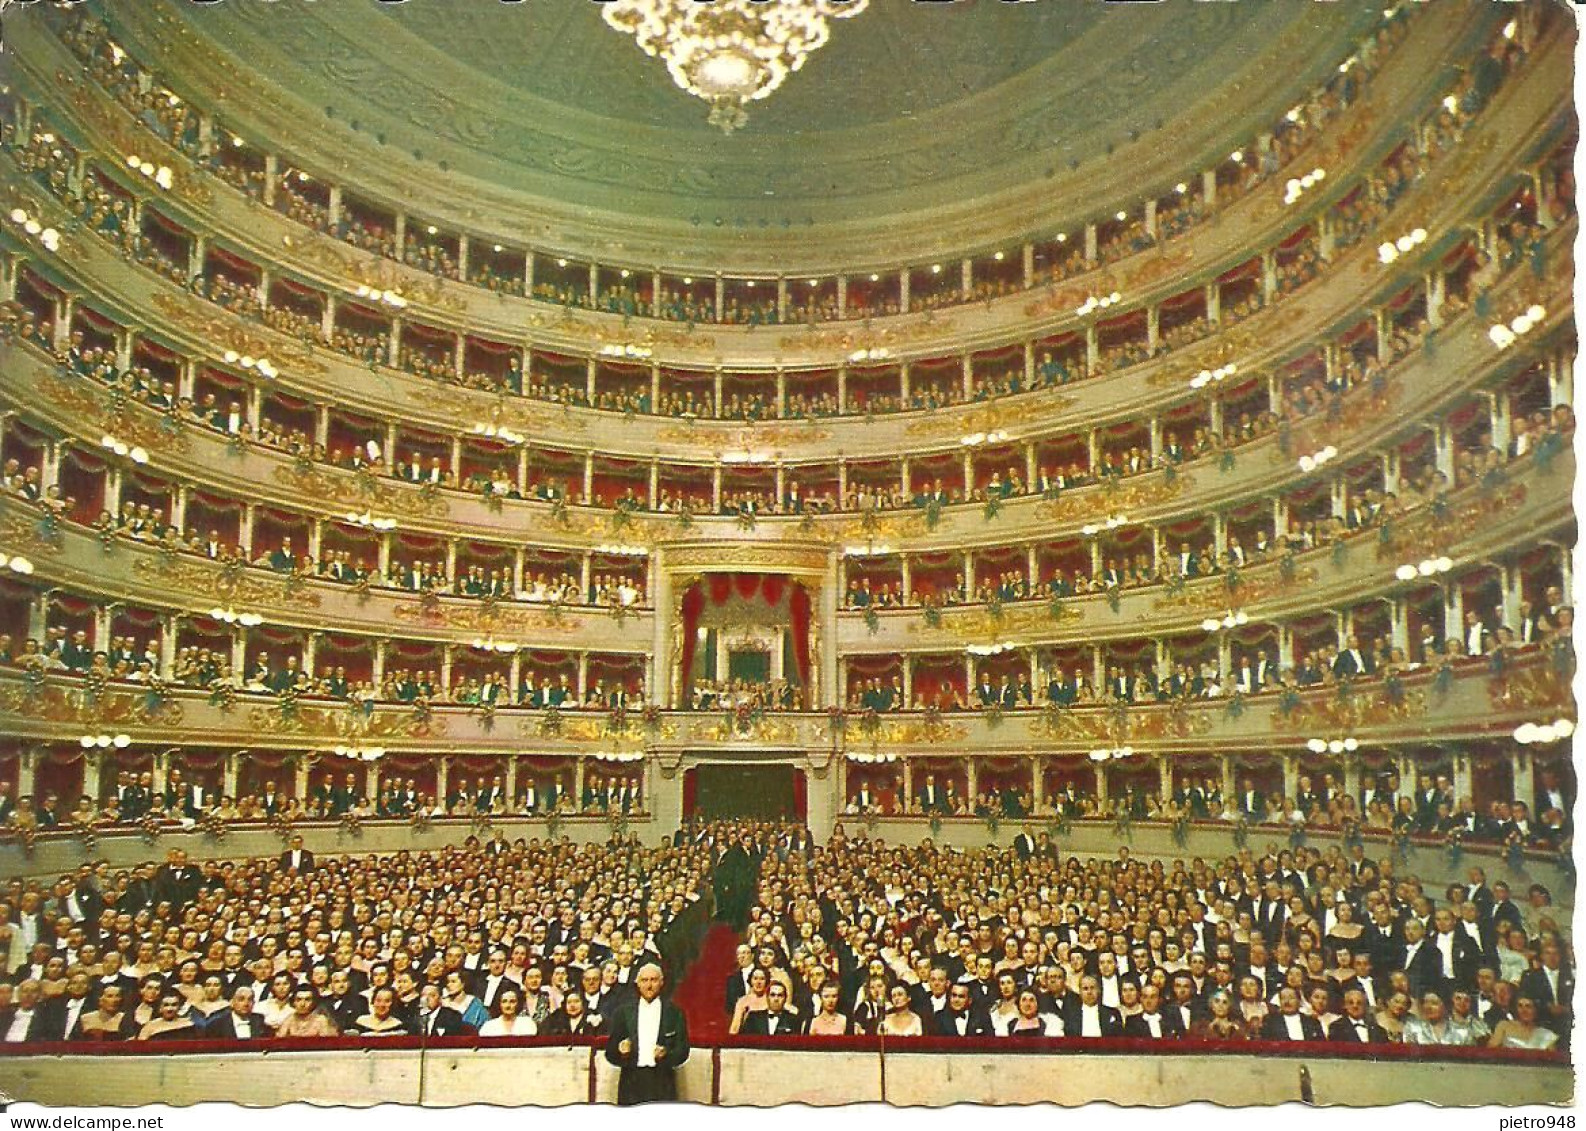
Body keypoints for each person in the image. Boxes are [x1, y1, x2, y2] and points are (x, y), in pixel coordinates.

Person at [604, 962, 690, 1106]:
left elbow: (683, 1051)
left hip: (662, 1082)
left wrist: (667, 1054)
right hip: (631, 1082)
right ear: (637, 983)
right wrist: (621, 1052)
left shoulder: (674, 1013)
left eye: (653, 980)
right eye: (644, 980)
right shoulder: (623, 1013)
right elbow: (610, 1053)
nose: (649, 985)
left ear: (661, 983)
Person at [274, 987, 340, 1039]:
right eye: (298, 1000)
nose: (302, 1004)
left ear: (313, 1002)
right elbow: (278, 1041)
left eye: (307, 1000)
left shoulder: (321, 1020)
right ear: (293, 1002)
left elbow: (327, 1045)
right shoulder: (290, 1019)